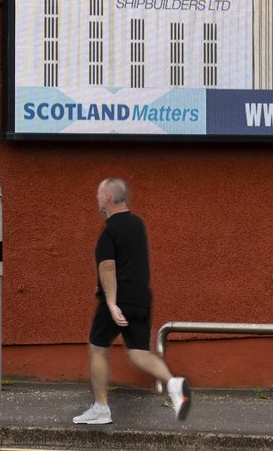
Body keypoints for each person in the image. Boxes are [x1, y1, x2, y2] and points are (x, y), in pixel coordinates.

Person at [72, 178, 191, 426]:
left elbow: (107, 268)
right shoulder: (138, 224)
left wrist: (112, 303)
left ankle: (101, 408)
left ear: (107, 198)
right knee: (138, 353)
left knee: (97, 348)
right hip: (141, 298)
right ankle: (173, 384)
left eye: (98, 194)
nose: (96, 198)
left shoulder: (110, 230)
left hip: (119, 297)